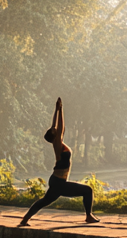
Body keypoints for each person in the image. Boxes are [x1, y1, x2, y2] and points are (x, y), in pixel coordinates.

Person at [18, 97, 99, 226]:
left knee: (44, 201)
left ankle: (25, 219)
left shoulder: (60, 144)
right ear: (54, 136)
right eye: (54, 131)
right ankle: (88, 216)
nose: (55, 129)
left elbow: (59, 127)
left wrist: (60, 109)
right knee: (87, 190)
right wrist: (58, 110)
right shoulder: (57, 145)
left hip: (58, 181)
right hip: (58, 183)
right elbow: (59, 127)